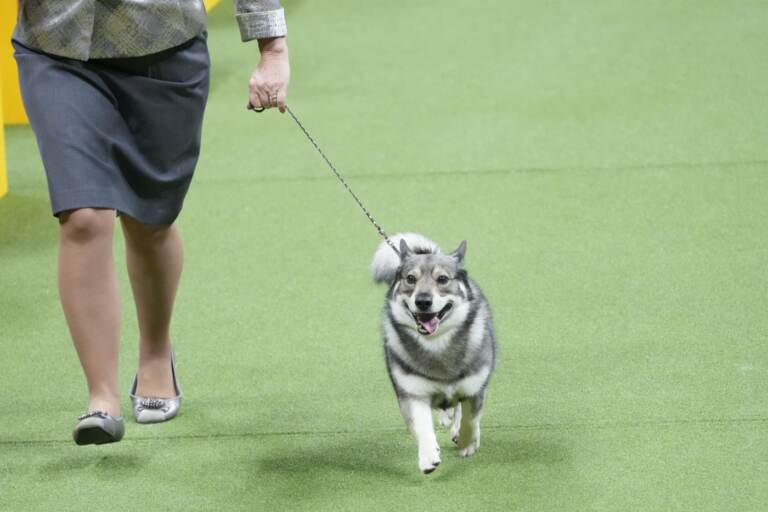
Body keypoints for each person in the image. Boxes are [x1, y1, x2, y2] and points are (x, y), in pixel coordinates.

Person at [12, 0, 290, 445]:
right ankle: (100, 397)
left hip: (166, 44)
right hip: (56, 48)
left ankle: (156, 351)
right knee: (83, 216)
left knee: (150, 220)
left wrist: (272, 48)